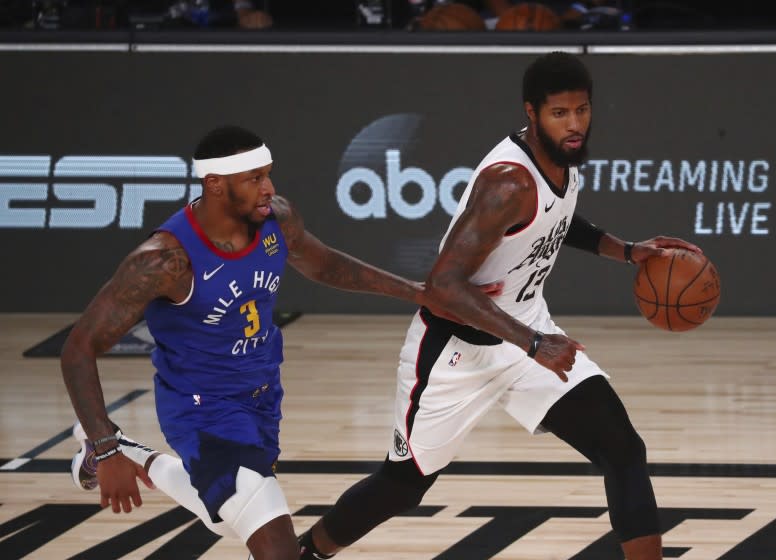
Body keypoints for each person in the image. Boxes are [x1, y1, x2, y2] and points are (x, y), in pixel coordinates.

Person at [297, 52, 703, 560]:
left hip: (525, 331)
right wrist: (533, 344)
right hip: (456, 350)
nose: (575, 125)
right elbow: (442, 286)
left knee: (622, 448)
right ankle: (305, 552)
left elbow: (557, 219)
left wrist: (625, 250)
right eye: (560, 113)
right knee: (402, 486)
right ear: (531, 113)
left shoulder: (565, 159)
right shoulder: (508, 182)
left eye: (582, 110)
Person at [62, 125, 497, 560]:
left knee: (225, 515)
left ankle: (138, 457)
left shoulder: (276, 220)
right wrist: (106, 449)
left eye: (268, 174)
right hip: (202, 411)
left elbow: (323, 264)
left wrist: (419, 292)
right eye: (254, 179)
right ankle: (112, 449)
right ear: (215, 185)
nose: (268, 188)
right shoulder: (163, 261)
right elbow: (79, 347)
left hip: (262, 397)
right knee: (273, 541)